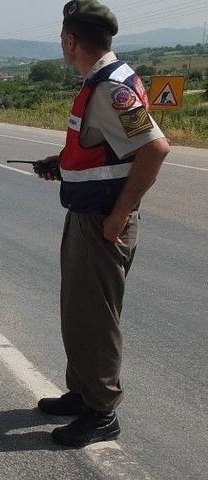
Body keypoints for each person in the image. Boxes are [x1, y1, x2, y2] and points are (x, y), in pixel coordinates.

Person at [34, 0, 170, 448]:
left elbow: (155, 149)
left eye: (62, 37)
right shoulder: (102, 83)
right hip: (87, 216)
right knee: (78, 312)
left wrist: (119, 214)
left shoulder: (113, 89)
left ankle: (101, 411)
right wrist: (64, 164)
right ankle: (82, 392)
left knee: (96, 319)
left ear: (71, 40)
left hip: (102, 223)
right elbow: (110, 152)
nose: (61, 43)